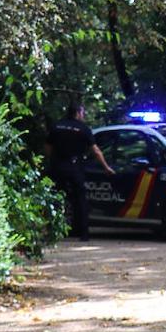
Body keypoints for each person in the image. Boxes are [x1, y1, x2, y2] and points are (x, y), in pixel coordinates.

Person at [46, 103, 114, 241]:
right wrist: (106, 167)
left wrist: (52, 162)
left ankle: (53, 232)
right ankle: (83, 234)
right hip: (75, 168)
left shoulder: (56, 126)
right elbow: (95, 151)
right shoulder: (83, 129)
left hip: (57, 167)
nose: (83, 116)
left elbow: (47, 147)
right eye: (83, 113)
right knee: (80, 200)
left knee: (56, 199)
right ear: (77, 113)